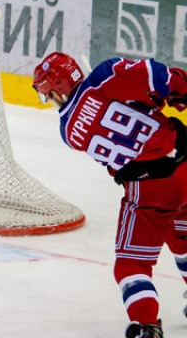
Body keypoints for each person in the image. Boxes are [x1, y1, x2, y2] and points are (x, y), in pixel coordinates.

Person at [33, 52, 187, 338]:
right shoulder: (107, 75)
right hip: (185, 163)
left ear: (57, 88)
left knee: (132, 264)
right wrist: (178, 90)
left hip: (149, 189)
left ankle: (147, 325)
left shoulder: (69, 132)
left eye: (48, 94)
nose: (51, 100)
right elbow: (156, 77)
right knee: (182, 235)